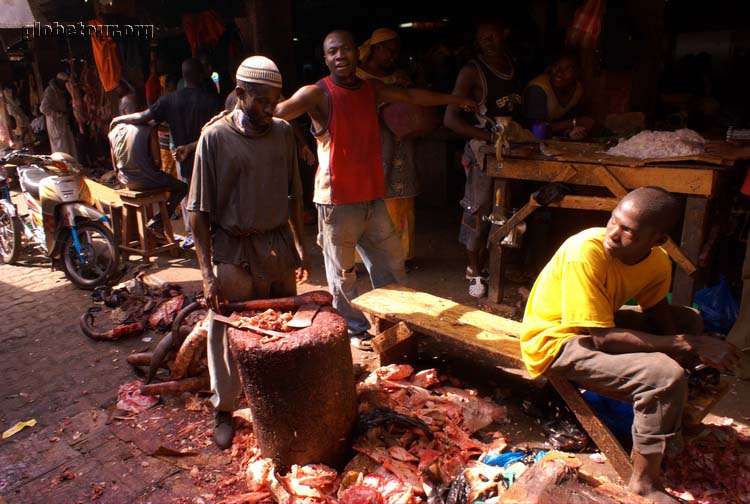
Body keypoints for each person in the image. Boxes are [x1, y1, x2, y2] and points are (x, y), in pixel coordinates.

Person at [521, 186, 741, 503]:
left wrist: (687, 345)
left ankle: (668, 414)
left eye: (629, 231)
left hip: (597, 324)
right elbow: (602, 338)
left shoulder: (658, 261)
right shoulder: (584, 250)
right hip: (556, 339)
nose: (614, 233)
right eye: (614, 221)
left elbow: (656, 312)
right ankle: (644, 483)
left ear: (657, 240)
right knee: (663, 376)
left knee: (688, 319)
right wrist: (684, 347)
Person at [274, 30, 475, 349]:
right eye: (332, 52)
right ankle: (353, 329)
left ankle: (394, 320)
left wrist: (455, 99)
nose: (340, 56)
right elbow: (277, 112)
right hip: (336, 201)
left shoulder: (371, 88)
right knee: (343, 275)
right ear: (325, 59)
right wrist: (233, 116)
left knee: (391, 264)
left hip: (372, 197)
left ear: (358, 53)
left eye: (346, 49)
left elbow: (410, 97)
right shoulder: (317, 93)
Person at [188, 56, 310, 449]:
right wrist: (207, 274)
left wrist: (300, 245)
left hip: (276, 245)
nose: (269, 109)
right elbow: (199, 213)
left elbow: (295, 195)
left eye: (275, 101)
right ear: (241, 95)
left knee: (282, 330)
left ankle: (277, 402)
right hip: (234, 249)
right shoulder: (215, 138)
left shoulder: (283, 132)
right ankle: (223, 407)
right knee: (227, 329)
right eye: (260, 101)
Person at [444, 19, 522, 298]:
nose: (487, 41)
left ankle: (494, 265)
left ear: (505, 33)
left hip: (510, 148)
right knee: (479, 209)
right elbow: (450, 119)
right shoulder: (472, 71)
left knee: (505, 211)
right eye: (482, 37)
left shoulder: (513, 66)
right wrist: (488, 137)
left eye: (493, 34)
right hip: (483, 151)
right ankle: (474, 270)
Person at [111, 59, 221, 249]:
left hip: (183, 158)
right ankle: (214, 236)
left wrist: (119, 118)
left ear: (183, 76)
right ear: (201, 75)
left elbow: (143, 117)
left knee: (192, 202)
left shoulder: (169, 99)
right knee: (212, 198)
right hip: (209, 157)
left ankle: (194, 236)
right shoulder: (211, 101)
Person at [357, 28, 420, 263]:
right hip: (373, 146)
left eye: (396, 52)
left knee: (401, 199)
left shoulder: (399, 76)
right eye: (390, 51)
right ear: (376, 49)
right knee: (373, 199)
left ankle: (403, 255)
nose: (393, 56)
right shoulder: (357, 76)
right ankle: (370, 257)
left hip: (401, 145)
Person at [108, 94, 187, 227]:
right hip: (146, 180)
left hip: (126, 181)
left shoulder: (113, 132)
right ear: (141, 109)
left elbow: (115, 167)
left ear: (123, 111)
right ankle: (158, 222)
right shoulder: (148, 128)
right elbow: (157, 164)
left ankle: (155, 227)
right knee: (182, 187)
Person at [523, 50, 594, 140]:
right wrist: (573, 123)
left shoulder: (577, 90)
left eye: (568, 69)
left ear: (577, 73)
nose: (559, 73)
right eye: (556, 66)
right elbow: (536, 132)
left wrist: (569, 132)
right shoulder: (537, 90)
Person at [40, 72, 77, 158]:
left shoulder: (61, 91)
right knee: (61, 149)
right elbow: (43, 108)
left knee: (69, 147)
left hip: (63, 123)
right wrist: (57, 113)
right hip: (55, 124)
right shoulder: (50, 91)